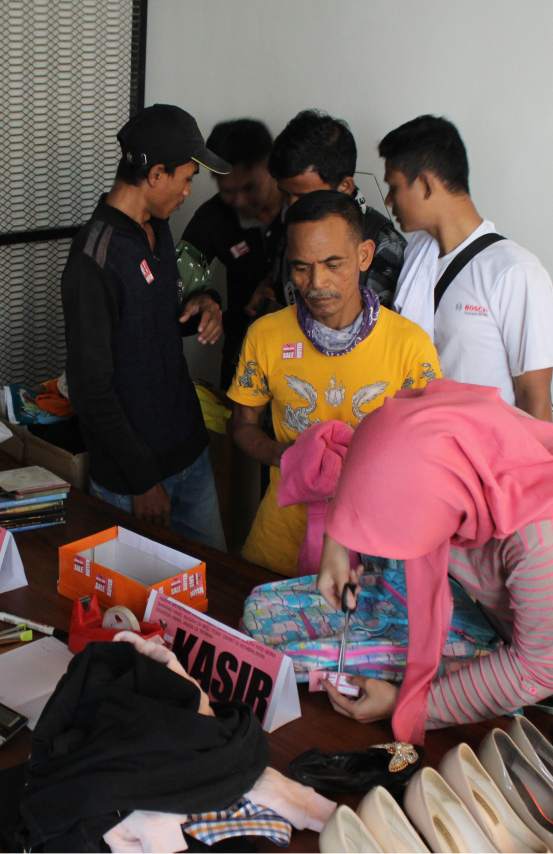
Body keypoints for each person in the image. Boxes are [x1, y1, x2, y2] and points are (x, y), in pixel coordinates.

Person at [315, 379, 553, 743]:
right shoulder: (441, 439)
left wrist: (407, 707)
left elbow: (538, 667)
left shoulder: (543, 540)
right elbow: (376, 457)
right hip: (537, 627)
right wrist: (338, 542)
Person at [227, 191, 440, 576]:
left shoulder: (410, 346)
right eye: (301, 267)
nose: (316, 283)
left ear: (364, 255)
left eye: (333, 264)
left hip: (371, 550)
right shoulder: (267, 335)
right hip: (279, 545)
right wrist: (284, 456)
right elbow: (242, 425)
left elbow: (430, 452)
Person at [61, 104, 229, 550]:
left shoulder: (158, 228)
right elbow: (90, 390)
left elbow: (156, 321)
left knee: (214, 580)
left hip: (190, 454)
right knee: (142, 591)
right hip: (135, 480)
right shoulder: (93, 260)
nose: (188, 192)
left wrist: (205, 304)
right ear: (155, 175)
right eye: (186, 179)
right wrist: (141, 478)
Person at [381, 115, 553, 420]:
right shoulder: (417, 256)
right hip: (419, 439)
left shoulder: (514, 271)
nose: (388, 200)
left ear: (425, 184)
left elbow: (535, 399)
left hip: (486, 446)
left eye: (394, 187)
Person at [252, 109, 406, 309]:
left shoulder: (387, 248)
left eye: (304, 196)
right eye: (285, 194)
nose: (292, 206)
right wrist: (269, 290)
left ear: (345, 187)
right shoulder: (291, 224)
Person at [179, 118, 282, 388]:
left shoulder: (304, 208)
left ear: (272, 167)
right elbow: (177, 285)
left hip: (305, 355)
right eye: (227, 191)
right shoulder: (212, 219)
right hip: (242, 355)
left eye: (249, 187)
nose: (239, 201)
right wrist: (203, 299)